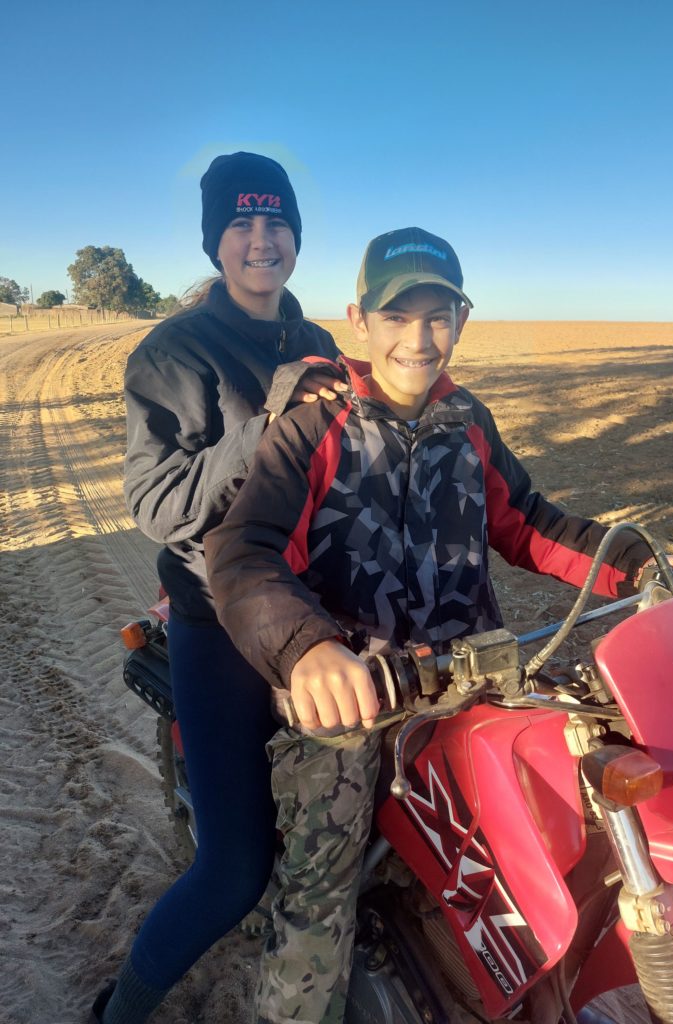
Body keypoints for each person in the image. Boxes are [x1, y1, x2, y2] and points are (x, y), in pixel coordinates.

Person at [203, 225, 673, 1024]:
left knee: (575, 802)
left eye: (439, 315)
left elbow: (529, 524)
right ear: (360, 318)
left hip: (473, 674)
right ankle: (294, 1007)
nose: (420, 337)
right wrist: (310, 651)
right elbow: (244, 551)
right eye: (399, 315)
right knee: (323, 873)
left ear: (462, 322)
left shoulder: (468, 420)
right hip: (355, 697)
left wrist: (636, 566)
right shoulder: (313, 427)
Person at [89, 152, 347, 1024]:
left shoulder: (317, 343)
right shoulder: (173, 354)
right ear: (215, 241)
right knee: (236, 870)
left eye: (277, 223)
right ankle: (119, 1009)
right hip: (218, 621)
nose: (261, 239)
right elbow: (158, 505)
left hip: (319, 616)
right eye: (241, 224)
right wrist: (266, 427)